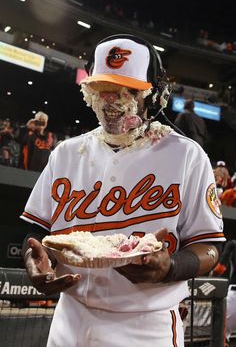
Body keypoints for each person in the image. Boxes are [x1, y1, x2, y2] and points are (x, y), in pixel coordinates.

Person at [21, 34, 225, 347]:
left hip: (145, 323)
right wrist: (35, 260)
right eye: (103, 89)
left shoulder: (187, 155)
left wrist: (171, 267)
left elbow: (210, 247)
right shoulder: (66, 152)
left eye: (128, 90)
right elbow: (37, 231)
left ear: (154, 95)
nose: (112, 99)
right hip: (69, 316)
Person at [213, 240, 236, 346]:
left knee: (222, 334)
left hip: (234, 295)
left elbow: (220, 268)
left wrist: (213, 275)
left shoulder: (233, 244)